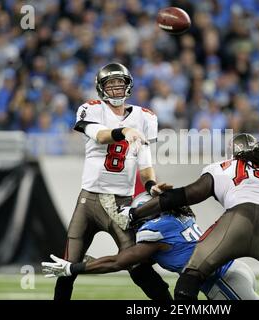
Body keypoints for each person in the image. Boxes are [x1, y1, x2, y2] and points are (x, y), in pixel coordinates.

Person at [115, 133, 259, 300]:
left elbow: (183, 196)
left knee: (192, 274)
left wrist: (136, 212)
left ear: (233, 153)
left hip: (237, 220)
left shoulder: (221, 167)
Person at [53, 62, 172, 301]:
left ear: (128, 86)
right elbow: (98, 134)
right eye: (111, 84)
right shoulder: (93, 109)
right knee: (67, 267)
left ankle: (170, 305)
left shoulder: (145, 117)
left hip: (121, 204)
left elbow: (145, 163)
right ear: (101, 88)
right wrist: (124, 132)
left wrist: (151, 186)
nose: (117, 88)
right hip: (88, 201)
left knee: (136, 265)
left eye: (121, 83)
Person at [42, 192, 259, 300]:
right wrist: (91, 264)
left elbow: (120, 262)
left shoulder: (155, 231)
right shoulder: (180, 217)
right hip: (234, 270)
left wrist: (73, 268)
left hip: (222, 280)